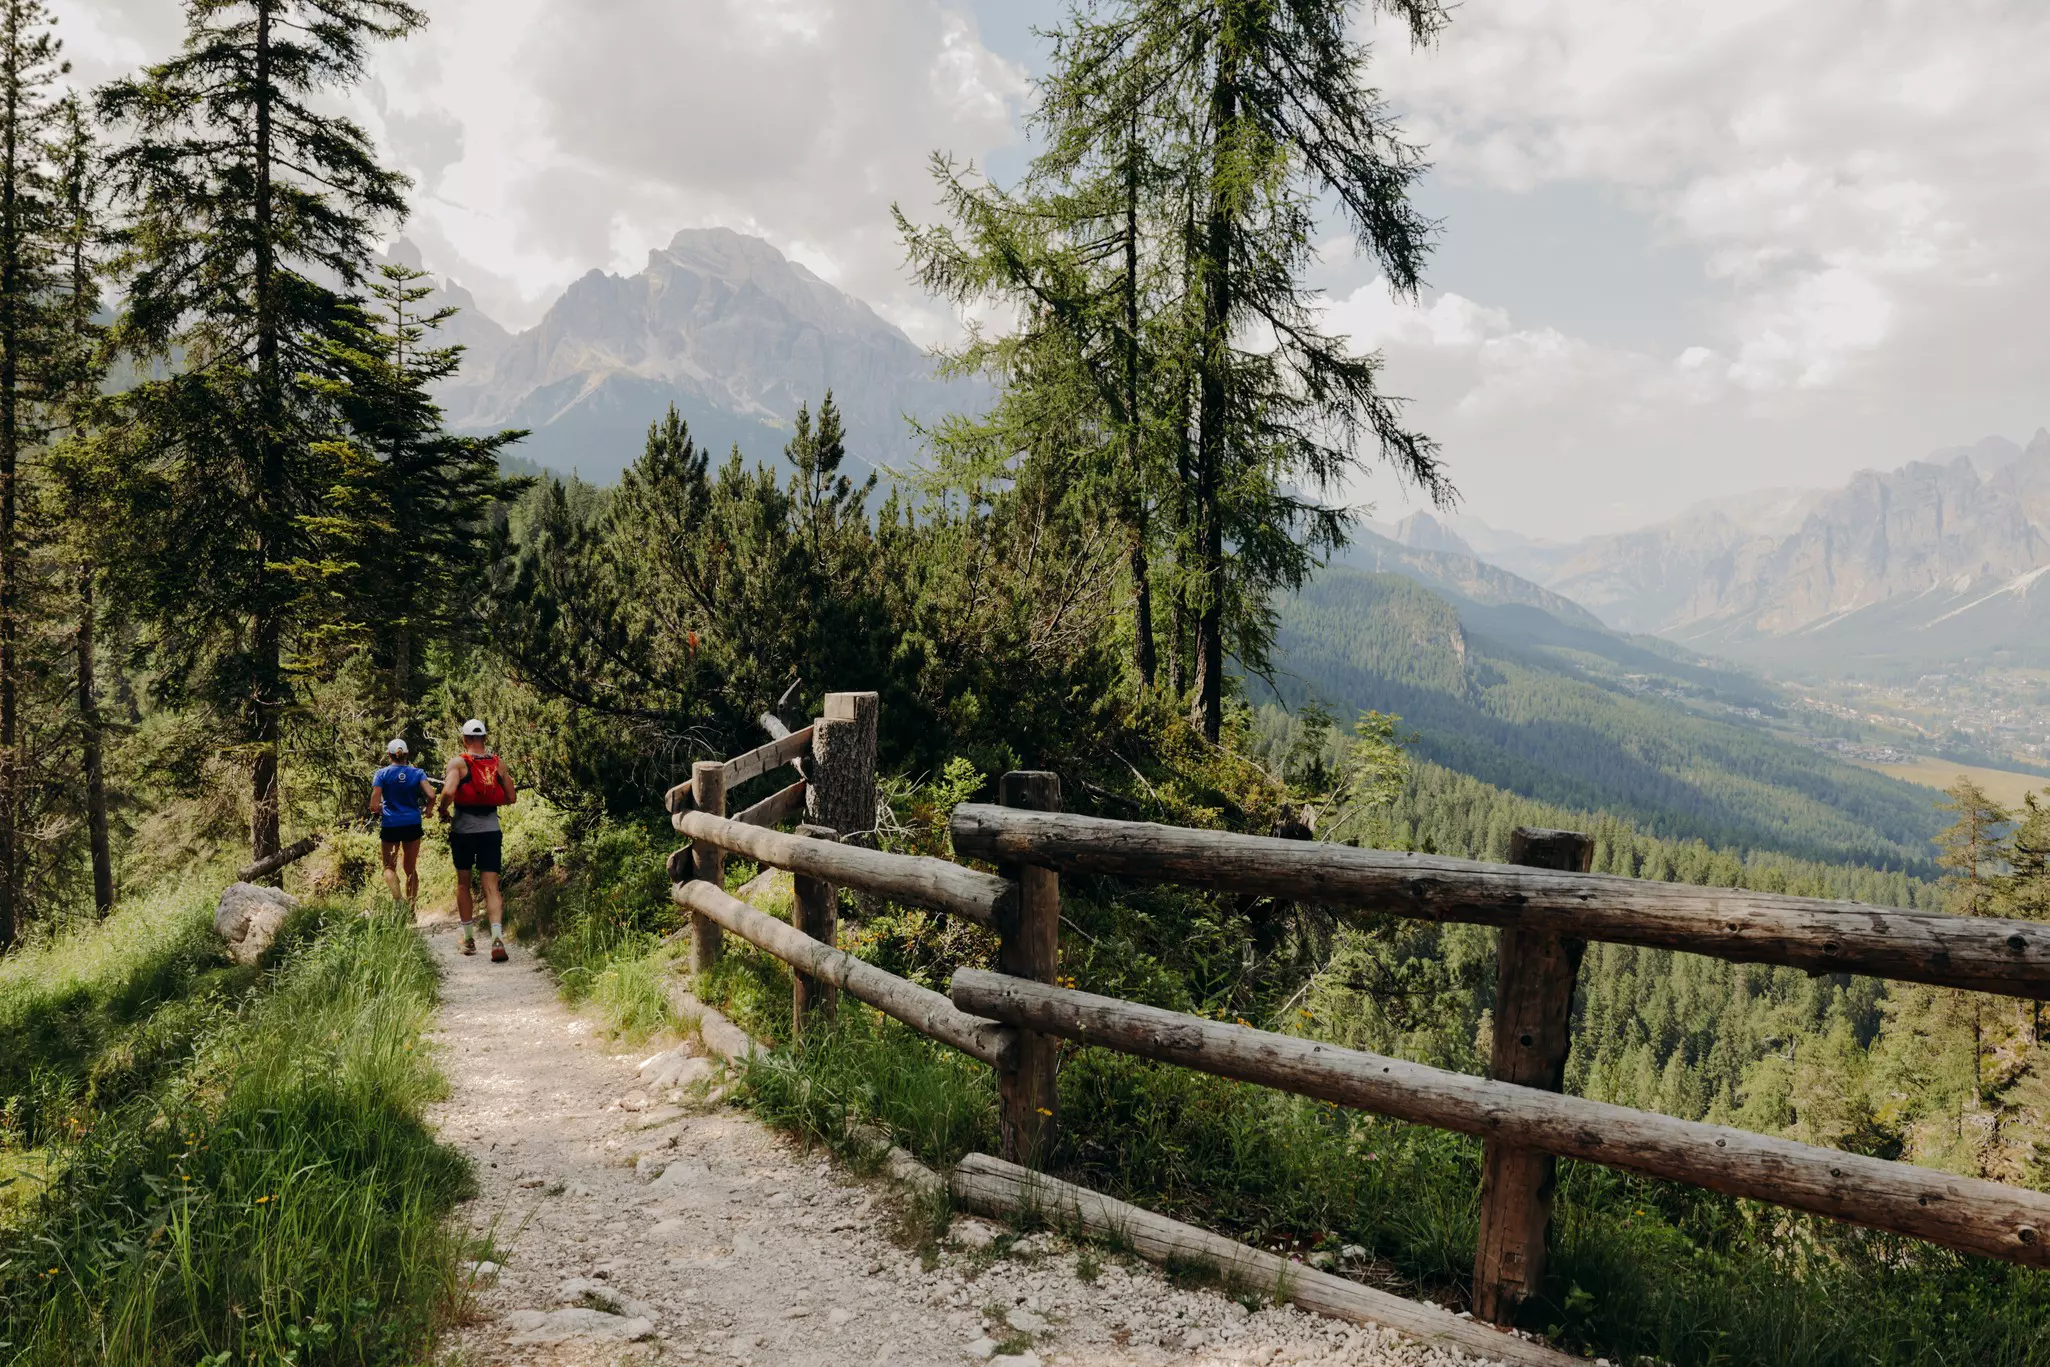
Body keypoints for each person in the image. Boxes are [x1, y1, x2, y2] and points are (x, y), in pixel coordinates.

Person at [438, 718, 516, 961]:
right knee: (491, 886)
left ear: (464, 739)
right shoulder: (497, 764)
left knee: (463, 882)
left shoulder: (458, 763)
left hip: (463, 830)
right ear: (484, 738)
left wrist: (442, 810)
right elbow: (511, 797)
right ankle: (497, 939)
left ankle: (469, 938)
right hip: (491, 828)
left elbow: (449, 791)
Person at [370, 738, 435, 916]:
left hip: (391, 825)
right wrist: (428, 810)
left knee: (389, 866)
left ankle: (399, 901)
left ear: (389, 755)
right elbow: (431, 794)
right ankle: (412, 909)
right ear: (406, 754)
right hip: (412, 824)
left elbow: (374, 805)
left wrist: (380, 808)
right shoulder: (417, 773)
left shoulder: (381, 774)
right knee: (410, 869)